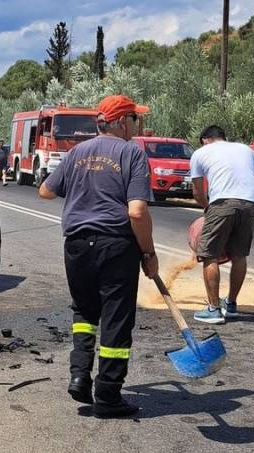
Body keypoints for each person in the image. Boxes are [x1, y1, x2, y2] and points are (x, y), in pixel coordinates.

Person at [39, 94, 158, 418]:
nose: (137, 124)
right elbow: (136, 212)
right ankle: (107, 395)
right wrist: (148, 252)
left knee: (85, 312)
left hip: (76, 245)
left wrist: (84, 186)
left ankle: (80, 375)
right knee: (116, 319)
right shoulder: (132, 152)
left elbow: (46, 190)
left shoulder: (77, 151)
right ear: (121, 122)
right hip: (114, 245)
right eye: (134, 118)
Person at [190, 125, 254, 324]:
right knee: (239, 255)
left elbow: (197, 192)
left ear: (205, 139)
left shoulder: (200, 153)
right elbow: (250, 179)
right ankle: (231, 304)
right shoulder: (247, 150)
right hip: (251, 203)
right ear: (223, 137)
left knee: (209, 255)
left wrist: (207, 208)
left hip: (222, 202)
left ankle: (213, 309)